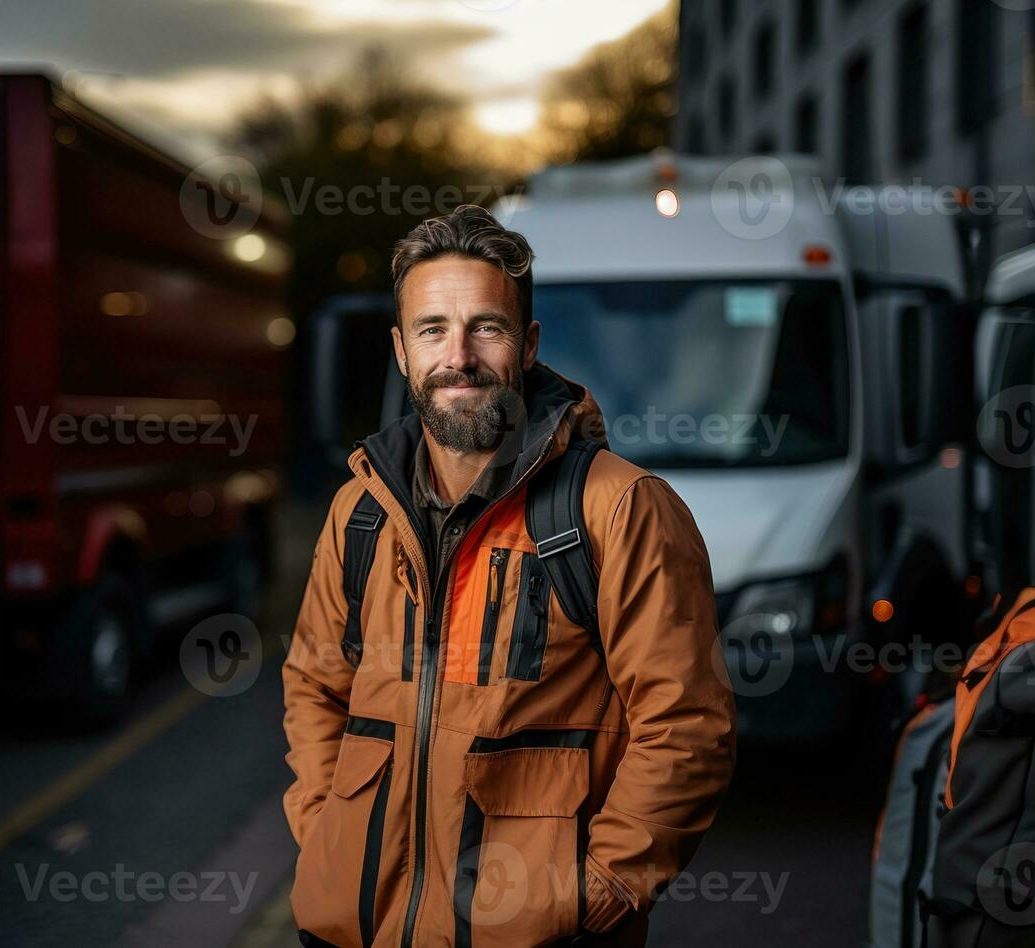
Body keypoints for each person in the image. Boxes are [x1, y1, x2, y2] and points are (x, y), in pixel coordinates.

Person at [283, 205, 736, 947]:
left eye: (484, 327)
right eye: (432, 329)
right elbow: (314, 684)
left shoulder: (618, 507)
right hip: (356, 926)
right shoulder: (358, 511)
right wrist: (326, 835)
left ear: (525, 344)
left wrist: (601, 893)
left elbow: (687, 724)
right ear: (401, 351)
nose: (457, 355)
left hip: (535, 933)